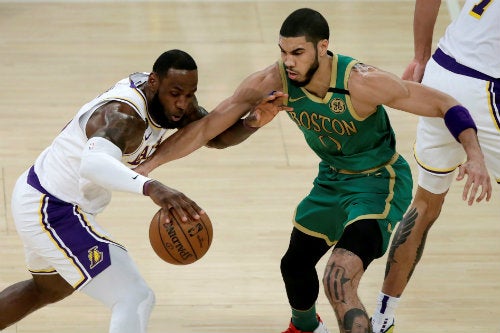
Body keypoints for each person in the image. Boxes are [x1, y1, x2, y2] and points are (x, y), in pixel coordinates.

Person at [132, 8, 491, 333]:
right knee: (294, 265)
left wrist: (473, 153)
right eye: (283, 51)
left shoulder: (362, 82)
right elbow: (209, 130)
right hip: (330, 180)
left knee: (338, 279)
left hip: (377, 183)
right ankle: (305, 327)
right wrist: (148, 166)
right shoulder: (272, 80)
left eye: (297, 53)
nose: (288, 62)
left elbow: (445, 103)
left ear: (323, 47)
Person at [0, 49, 284, 332]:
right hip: (53, 209)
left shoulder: (171, 101)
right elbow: (93, 164)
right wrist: (152, 187)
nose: (183, 104)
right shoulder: (123, 116)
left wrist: (251, 122)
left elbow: (213, 135)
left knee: (47, 289)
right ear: (153, 83)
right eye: (176, 94)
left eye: (189, 94)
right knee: (135, 297)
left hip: (39, 195)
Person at [371, 0, 498, 332]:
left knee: (425, 204)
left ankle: (383, 318)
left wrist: (420, 56)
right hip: (484, 87)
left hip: (441, 73)